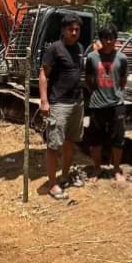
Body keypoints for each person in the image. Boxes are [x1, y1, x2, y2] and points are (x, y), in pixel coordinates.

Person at [38, 13, 86, 200]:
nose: (74, 32)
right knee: (54, 145)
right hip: (59, 103)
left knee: (70, 142)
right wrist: (44, 101)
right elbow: (43, 74)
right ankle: (52, 184)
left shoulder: (80, 48)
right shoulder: (54, 49)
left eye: (77, 29)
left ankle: (65, 176)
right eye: (70, 29)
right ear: (63, 30)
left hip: (77, 102)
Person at [84, 23, 129, 182]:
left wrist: (114, 93)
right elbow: (88, 80)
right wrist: (97, 93)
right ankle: (97, 168)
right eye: (104, 38)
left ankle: (116, 169)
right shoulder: (92, 57)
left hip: (117, 105)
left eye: (111, 38)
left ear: (115, 39)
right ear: (100, 39)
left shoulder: (122, 58)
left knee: (118, 139)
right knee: (96, 139)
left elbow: (123, 81)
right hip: (97, 105)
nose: (108, 41)